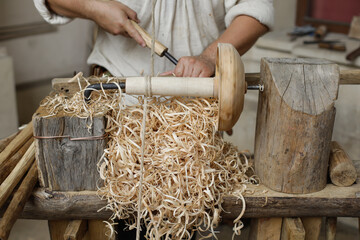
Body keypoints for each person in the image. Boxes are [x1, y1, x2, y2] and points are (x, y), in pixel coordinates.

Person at [34, 0, 273, 78]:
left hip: (196, 97)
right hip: (116, 87)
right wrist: (96, 8)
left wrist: (211, 57)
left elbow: (257, 8)